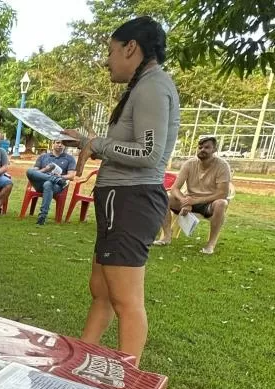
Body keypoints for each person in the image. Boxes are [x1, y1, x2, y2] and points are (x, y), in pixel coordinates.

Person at [64, 16, 179, 365]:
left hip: (131, 201)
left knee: (126, 301)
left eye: (111, 51)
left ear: (131, 48)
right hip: (119, 200)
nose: (107, 61)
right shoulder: (143, 86)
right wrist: (86, 142)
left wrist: (98, 144)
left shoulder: (152, 87)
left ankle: (129, 379)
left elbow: (149, 154)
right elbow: (131, 147)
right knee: (101, 291)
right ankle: (79, 360)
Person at [156, 136, 231, 254]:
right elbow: (175, 189)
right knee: (164, 197)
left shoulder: (222, 166)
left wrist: (195, 201)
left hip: (209, 204)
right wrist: (184, 201)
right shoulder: (189, 164)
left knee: (221, 203)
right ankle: (166, 236)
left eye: (207, 147)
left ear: (214, 150)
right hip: (189, 200)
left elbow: (223, 193)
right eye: (200, 147)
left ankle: (210, 244)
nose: (202, 150)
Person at [26, 140, 77, 225]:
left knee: (48, 184)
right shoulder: (43, 157)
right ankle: (54, 179)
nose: (60, 145)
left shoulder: (70, 158)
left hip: (56, 186)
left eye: (62, 143)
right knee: (29, 171)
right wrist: (46, 169)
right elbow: (35, 173)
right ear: (53, 144)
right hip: (40, 184)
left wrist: (60, 176)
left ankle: (42, 216)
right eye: (58, 142)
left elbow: (71, 176)